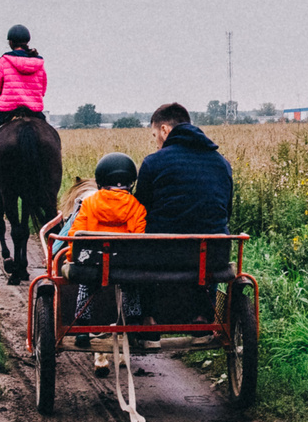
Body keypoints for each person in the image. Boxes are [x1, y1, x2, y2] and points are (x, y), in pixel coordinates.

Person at [135, 103, 234, 331]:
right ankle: (202, 316)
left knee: (139, 246)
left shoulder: (153, 162)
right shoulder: (222, 163)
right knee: (208, 239)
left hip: (164, 254)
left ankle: (149, 318)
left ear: (164, 130)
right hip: (213, 254)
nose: (156, 143)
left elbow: (141, 211)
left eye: (155, 136)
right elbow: (226, 211)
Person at [65, 152, 147, 348]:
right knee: (131, 286)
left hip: (93, 264)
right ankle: (133, 322)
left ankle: (82, 327)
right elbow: (140, 240)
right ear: (131, 181)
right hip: (124, 266)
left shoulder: (89, 204)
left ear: (100, 179)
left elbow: (76, 236)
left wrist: (71, 257)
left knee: (86, 286)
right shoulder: (137, 207)